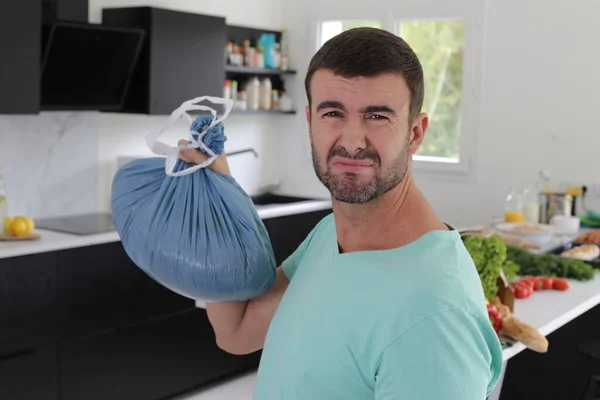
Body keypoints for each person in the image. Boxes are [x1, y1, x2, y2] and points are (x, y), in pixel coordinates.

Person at [179, 27, 503, 400]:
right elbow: (236, 331)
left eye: (377, 116)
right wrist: (214, 196)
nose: (352, 140)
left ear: (415, 133)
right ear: (310, 122)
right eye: (333, 112)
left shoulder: (436, 314)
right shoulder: (330, 234)